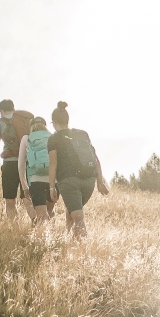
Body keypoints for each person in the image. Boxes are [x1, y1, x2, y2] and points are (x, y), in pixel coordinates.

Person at [45, 101, 109, 240]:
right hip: (89, 181)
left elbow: (53, 164)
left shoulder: (53, 138)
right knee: (71, 211)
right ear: (67, 120)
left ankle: (84, 252)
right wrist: (99, 182)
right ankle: (71, 243)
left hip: (69, 182)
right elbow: (95, 159)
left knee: (78, 219)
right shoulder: (82, 134)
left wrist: (51, 188)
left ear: (54, 122)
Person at [0, 99, 31, 218]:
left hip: (10, 164)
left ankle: (15, 231)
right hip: (28, 163)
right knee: (28, 198)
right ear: (14, 108)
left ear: (1, 111)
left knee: (10, 201)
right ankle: (36, 226)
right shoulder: (25, 120)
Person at [19, 113, 54, 223]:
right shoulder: (52, 137)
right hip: (53, 180)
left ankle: (41, 237)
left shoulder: (27, 138)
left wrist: (24, 186)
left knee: (41, 215)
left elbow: (21, 164)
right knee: (49, 211)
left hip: (36, 179)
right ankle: (52, 235)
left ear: (31, 126)